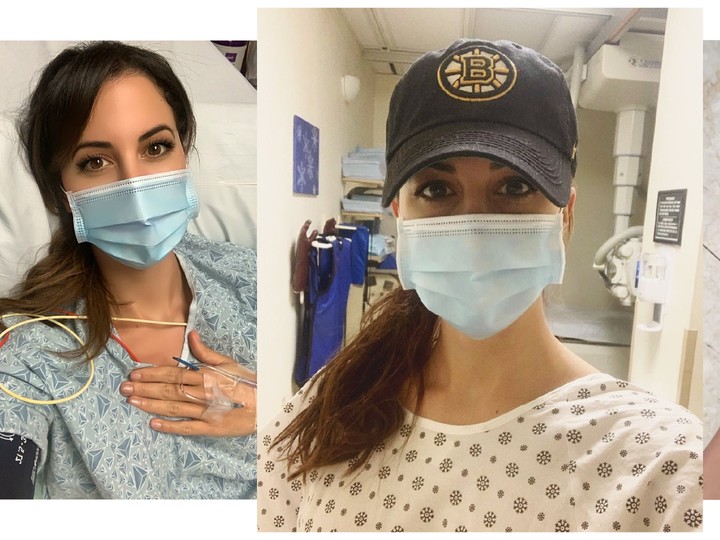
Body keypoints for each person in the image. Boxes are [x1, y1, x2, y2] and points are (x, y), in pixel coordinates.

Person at [257, 39, 703, 532]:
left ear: (566, 216)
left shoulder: (657, 469)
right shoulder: (330, 407)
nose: (473, 231)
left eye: (514, 187)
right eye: (436, 189)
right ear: (400, 215)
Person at [0, 41, 256, 499]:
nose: (135, 186)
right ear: (62, 193)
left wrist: (278, 408)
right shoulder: (34, 346)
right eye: (95, 161)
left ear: (184, 152)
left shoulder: (252, 281)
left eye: (156, 147)